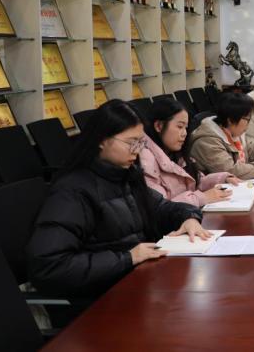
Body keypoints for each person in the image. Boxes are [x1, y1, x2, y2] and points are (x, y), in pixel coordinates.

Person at [27, 100, 210, 300]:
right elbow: (49, 265)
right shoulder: (72, 192)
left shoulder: (125, 175)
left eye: (141, 143)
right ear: (102, 140)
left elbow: (160, 207)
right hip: (101, 298)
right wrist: (127, 258)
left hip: (137, 282)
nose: (137, 150)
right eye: (131, 143)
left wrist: (188, 217)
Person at [140, 97, 241, 207]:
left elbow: (197, 181)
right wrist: (203, 197)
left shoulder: (176, 153)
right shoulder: (145, 159)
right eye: (179, 127)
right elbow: (162, 207)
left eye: (186, 128)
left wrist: (224, 178)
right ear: (159, 126)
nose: (184, 133)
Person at [188, 92, 254, 179]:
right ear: (230, 120)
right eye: (247, 119)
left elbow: (252, 154)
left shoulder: (233, 132)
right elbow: (231, 170)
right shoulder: (207, 141)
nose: (249, 124)